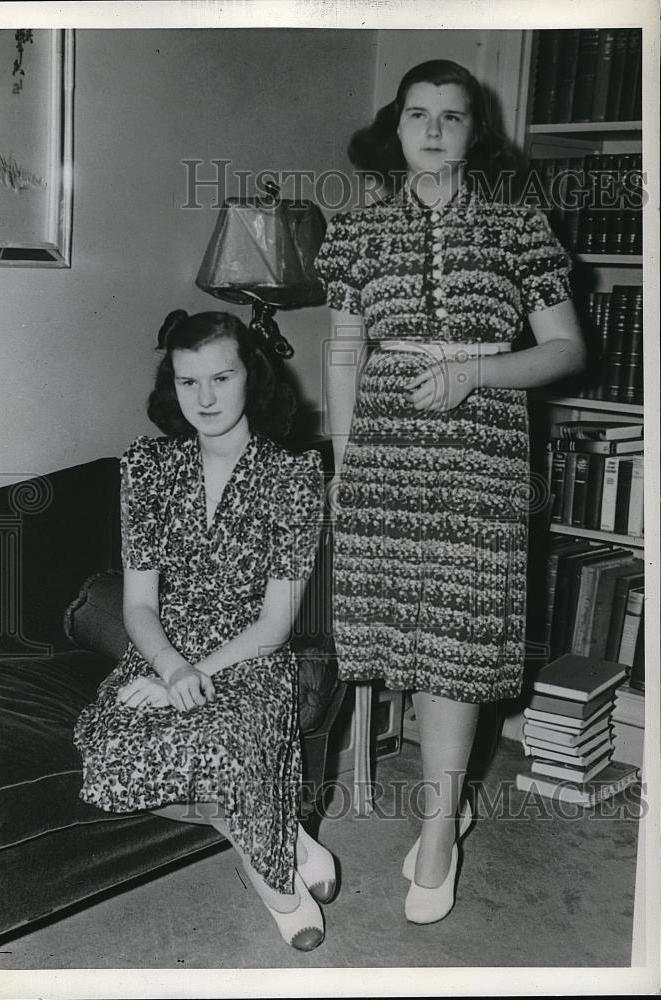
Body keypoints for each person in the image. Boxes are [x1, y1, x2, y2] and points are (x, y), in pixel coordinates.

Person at [315, 59, 586, 924]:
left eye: (454, 117)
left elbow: (564, 349)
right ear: (395, 129)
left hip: (480, 453)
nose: (434, 130)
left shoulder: (518, 226)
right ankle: (449, 803)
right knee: (409, 635)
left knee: (457, 644)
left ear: (476, 131)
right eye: (419, 115)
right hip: (388, 455)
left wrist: (474, 374)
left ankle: (438, 835)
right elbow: (344, 354)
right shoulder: (358, 232)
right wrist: (347, 465)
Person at [73, 310, 336, 951]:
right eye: (189, 382)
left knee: (229, 736)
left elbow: (275, 624)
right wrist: (170, 670)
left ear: (254, 378)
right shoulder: (146, 468)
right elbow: (138, 606)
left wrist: (195, 678)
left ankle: (272, 879)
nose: (207, 398)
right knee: (108, 763)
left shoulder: (294, 477)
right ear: (173, 386)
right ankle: (283, 832)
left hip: (251, 650)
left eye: (222, 376)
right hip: (165, 644)